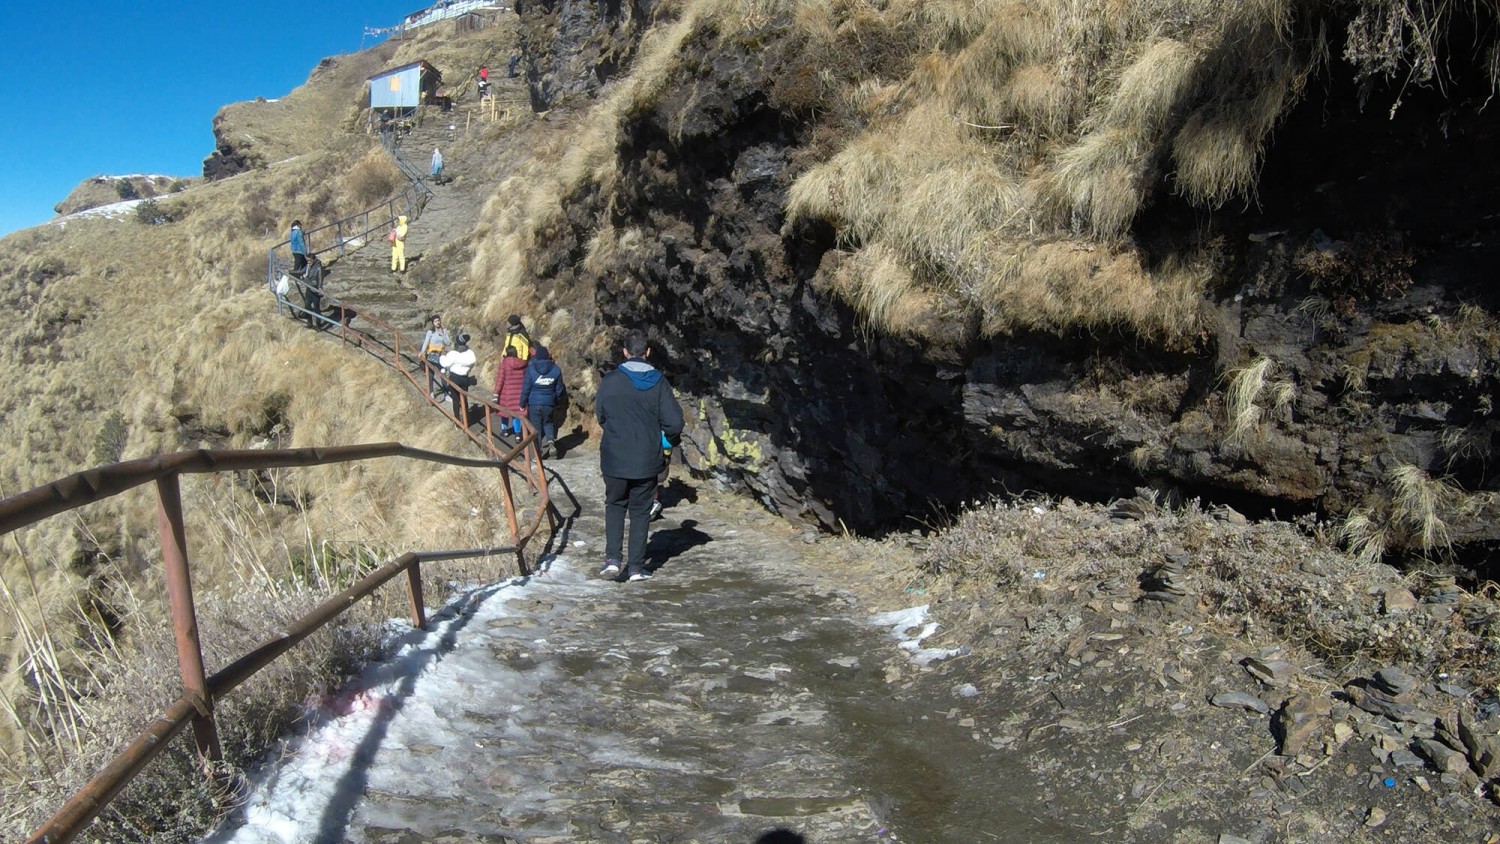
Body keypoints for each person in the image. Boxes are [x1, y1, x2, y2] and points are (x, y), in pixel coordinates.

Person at [595, 329, 683, 581]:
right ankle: (635, 567)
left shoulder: (611, 380)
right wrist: (667, 441)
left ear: (624, 352)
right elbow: (675, 422)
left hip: (614, 455)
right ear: (647, 352)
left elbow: (600, 413)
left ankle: (612, 560)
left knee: (614, 504)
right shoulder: (658, 381)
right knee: (640, 511)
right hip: (646, 457)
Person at [520, 345, 565, 458]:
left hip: (534, 402)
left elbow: (526, 388)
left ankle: (538, 452)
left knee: (536, 427)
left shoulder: (531, 369)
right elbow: (559, 389)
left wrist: (522, 403)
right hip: (549, 402)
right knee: (548, 422)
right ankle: (550, 441)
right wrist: (558, 401)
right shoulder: (556, 369)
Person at [440, 334, 479, 424]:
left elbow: (445, 363)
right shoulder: (470, 354)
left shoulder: (453, 354)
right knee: (464, 398)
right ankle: (466, 419)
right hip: (464, 378)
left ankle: (457, 420)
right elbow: (472, 361)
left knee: (456, 399)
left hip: (454, 378)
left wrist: (442, 356)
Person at [493, 345, 528, 440]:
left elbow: (500, 379)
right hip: (519, 393)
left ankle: (504, 431)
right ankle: (517, 434)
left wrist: (496, 393)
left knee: (504, 412)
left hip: (506, 393)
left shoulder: (504, 363)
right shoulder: (522, 364)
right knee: (516, 414)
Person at [420, 314, 450, 398]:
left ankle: (446, 393)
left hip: (441, 356)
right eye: (436, 321)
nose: (438, 322)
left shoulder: (444, 331)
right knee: (430, 374)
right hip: (432, 355)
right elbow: (426, 342)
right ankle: (431, 392)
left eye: (438, 321)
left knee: (443, 374)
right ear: (433, 323)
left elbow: (448, 343)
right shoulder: (431, 332)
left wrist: (443, 335)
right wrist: (422, 352)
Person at [301, 254, 325, 329]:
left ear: (314, 260)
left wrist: (320, 288)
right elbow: (301, 271)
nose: (308, 262)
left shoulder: (318, 268)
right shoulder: (308, 266)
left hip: (315, 289)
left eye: (309, 260)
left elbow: (320, 278)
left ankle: (318, 325)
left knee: (316, 308)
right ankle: (309, 323)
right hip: (309, 288)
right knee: (307, 306)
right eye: (307, 260)